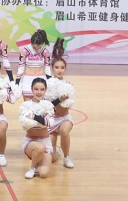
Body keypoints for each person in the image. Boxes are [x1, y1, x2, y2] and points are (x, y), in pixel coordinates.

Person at [46, 38, 75, 169]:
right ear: (52, 68)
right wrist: (58, 99)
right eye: (56, 67)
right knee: (51, 159)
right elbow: (47, 104)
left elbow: (69, 104)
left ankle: (67, 157)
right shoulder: (47, 84)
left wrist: (65, 100)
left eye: (62, 68)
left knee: (64, 131)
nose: (59, 70)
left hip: (64, 118)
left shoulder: (68, 85)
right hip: (52, 120)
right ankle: (56, 150)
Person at [19, 77, 54, 179]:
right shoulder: (25, 105)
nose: (39, 92)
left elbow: (50, 123)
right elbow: (25, 124)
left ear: (45, 90)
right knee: (39, 147)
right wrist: (42, 120)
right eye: (36, 89)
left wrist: (34, 117)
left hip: (45, 141)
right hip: (30, 141)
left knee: (44, 174)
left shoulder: (49, 105)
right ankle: (32, 167)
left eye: (42, 89)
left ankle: (46, 156)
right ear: (31, 89)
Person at [16, 29, 52, 100]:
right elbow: (21, 67)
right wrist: (17, 82)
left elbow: (47, 68)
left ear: (42, 44)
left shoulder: (45, 52)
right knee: (27, 104)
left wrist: (50, 81)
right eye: (34, 47)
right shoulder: (25, 51)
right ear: (31, 43)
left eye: (39, 47)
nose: (36, 49)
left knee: (41, 103)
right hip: (28, 79)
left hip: (41, 79)